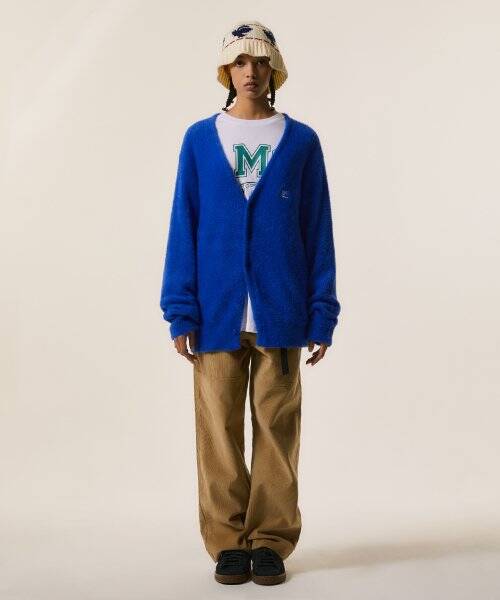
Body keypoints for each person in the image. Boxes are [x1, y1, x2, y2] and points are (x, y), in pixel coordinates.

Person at [159, 20, 341, 586]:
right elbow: (183, 225)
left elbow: (318, 230)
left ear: (275, 70)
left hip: (281, 315)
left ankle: (270, 540)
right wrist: (180, 309)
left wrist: (322, 312)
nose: (251, 72)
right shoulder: (199, 139)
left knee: (277, 432)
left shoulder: (301, 142)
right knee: (217, 432)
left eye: (261, 62)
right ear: (226, 70)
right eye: (240, 62)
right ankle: (227, 540)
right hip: (215, 315)